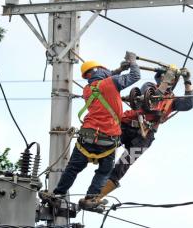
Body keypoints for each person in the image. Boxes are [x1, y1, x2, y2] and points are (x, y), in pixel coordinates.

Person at [52, 51, 140, 208]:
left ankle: (57, 193)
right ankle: (91, 198)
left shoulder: (87, 90)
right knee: (104, 171)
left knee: (73, 168)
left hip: (87, 136)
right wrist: (132, 62)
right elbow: (135, 76)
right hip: (109, 138)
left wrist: (118, 70)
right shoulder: (111, 83)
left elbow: (103, 79)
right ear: (99, 70)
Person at [93, 66, 193, 202]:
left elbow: (188, 104)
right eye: (168, 78)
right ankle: (93, 183)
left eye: (172, 79)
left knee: (124, 164)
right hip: (127, 125)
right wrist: (165, 81)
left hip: (145, 135)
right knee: (105, 151)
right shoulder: (149, 87)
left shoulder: (172, 100)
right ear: (160, 78)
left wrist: (187, 81)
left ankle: (96, 197)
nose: (171, 81)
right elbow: (150, 103)